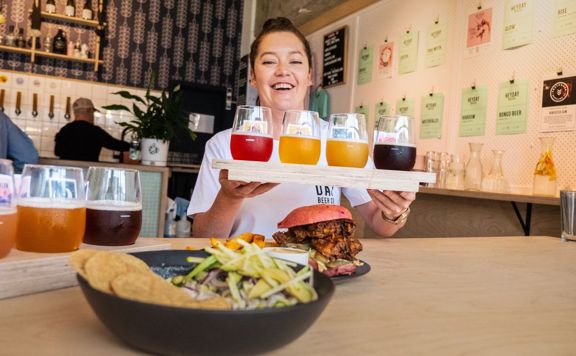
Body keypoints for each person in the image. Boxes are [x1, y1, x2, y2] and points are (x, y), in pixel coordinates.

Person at [188, 17, 415, 238]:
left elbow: (380, 223)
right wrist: (229, 198)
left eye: (295, 61)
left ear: (309, 76)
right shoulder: (224, 145)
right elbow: (202, 236)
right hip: (246, 270)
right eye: (269, 61)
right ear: (253, 77)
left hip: (318, 271)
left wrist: (395, 211)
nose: (282, 71)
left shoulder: (337, 141)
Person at [54, 98, 130, 161]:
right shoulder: (94, 131)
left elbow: (57, 152)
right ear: (89, 111)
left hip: (66, 173)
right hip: (87, 173)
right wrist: (135, 146)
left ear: (75, 112)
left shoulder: (64, 130)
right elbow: (114, 144)